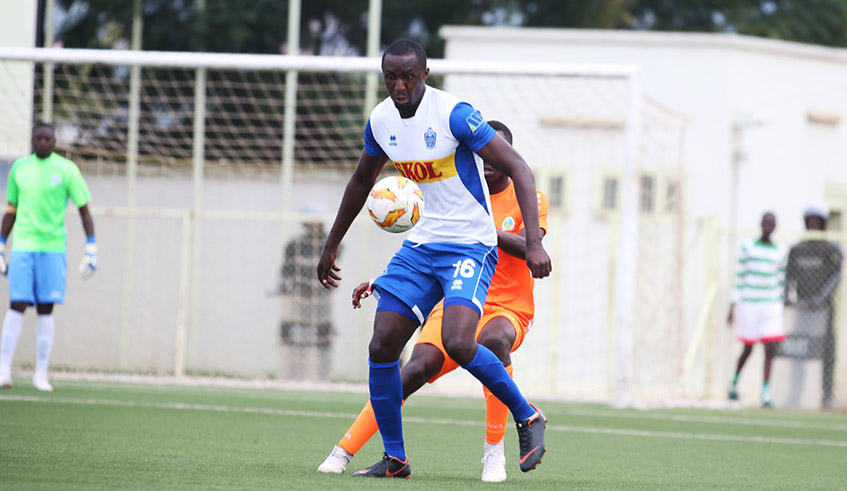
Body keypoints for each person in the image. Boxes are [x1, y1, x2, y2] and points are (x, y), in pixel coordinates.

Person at [316, 40, 551, 479]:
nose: (399, 85)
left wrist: (534, 243)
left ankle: (528, 415)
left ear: (424, 74)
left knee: (462, 344)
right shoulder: (381, 121)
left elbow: (519, 167)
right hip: (422, 244)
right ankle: (395, 458)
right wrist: (331, 244)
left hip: (468, 244)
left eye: (408, 76)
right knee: (383, 341)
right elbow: (360, 181)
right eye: (391, 77)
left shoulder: (454, 115)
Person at [0, 123, 97, 392]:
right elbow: (11, 209)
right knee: (17, 303)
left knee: (46, 307)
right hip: (23, 245)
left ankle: (41, 374)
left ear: (54, 141)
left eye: (48, 139)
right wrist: (0, 243)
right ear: (32, 140)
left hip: (53, 247)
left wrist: (91, 246)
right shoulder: (19, 168)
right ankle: (3, 369)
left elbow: (84, 210)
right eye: (38, 138)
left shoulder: (67, 170)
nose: (43, 142)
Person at [782, 203, 842, 408]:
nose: (814, 225)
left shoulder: (831, 249)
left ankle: (827, 396)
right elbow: (788, 276)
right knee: (799, 351)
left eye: (818, 221)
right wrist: (789, 298)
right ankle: (795, 395)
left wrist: (820, 298)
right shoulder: (798, 250)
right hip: (802, 310)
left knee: (827, 352)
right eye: (811, 221)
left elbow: (836, 275)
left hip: (824, 311)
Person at [726, 212, 786, 408]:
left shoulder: (779, 251)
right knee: (748, 348)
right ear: (761, 224)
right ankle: (734, 383)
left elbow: (780, 281)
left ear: (775, 227)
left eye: (772, 223)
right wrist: (732, 307)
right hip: (750, 303)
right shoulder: (748, 247)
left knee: (770, 348)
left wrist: (780, 305)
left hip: (770, 304)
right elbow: (739, 278)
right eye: (766, 222)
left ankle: (765, 392)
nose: (769, 226)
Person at [278, 203, 334, 380]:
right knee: (297, 339)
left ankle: (323, 379)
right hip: (300, 300)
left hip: (322, 301)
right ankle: (294, 377)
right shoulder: (295, 244)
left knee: (324, 339)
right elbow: (286, 271)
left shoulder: (330, 245)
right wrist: (290, 288)